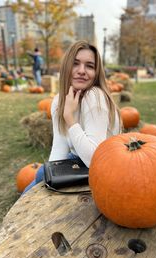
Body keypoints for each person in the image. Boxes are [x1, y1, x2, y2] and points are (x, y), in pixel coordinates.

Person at [23, 40, 121, 193]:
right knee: (43, 173)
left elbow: (94, 160)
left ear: (96, 73)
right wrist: (54, 177)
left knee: (41, 174)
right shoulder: (58, 100)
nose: (81, 70)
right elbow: (59, 145)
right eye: (75, 63)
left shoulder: (95, 96)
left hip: (107, 164)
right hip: (79, 157)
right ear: (67, 67)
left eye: (89, 66)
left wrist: (69, 117)